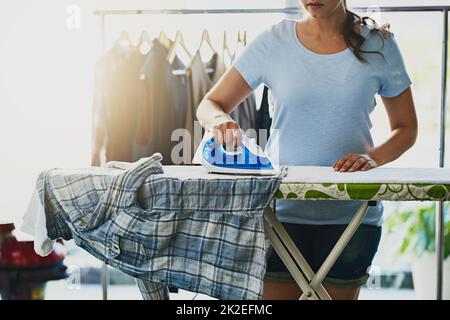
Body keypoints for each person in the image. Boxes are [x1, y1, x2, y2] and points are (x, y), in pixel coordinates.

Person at [196, 0, 417, 300]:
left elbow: (406, 129)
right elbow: (209, 104)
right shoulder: (274, 42)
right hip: (279, 215)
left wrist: (371, 157)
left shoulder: (380, 45)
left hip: (353, 217)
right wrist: (220, 120)